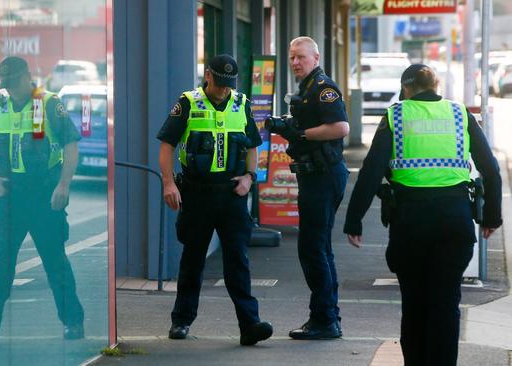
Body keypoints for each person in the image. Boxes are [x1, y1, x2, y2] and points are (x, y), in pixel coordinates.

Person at [344, 64, 502, 365]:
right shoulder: (460, 114)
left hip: (410, 223)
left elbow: (371, 172)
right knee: (446, 305)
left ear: (406, 89)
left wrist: (354, 220)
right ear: (436, 86)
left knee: (415, 305)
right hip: (454, 222)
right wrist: (492, 218)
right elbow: (491, 170)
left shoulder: (396, 115)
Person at [0, 56, 85, 346]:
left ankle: (73, 322)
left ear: (27, 76)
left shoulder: (50, 103)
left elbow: (71, 144)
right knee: (1, 265)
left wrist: (64, 185)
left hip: (44, 194)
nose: (11, 89)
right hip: (13, 195)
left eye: (14, 82)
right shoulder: (3, 105)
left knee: (54, 261)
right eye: (6, 84)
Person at [157, 54, 273, 346]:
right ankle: (181, 321)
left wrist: (249, 177)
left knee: (238, 260)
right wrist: (169, 183)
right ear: (208, 75)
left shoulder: (241, 104)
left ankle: (250, 325)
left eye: (228, 84)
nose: (224, 89)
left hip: (231, 194)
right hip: (196, 193)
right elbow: (167, 145)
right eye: (220, 83)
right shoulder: (188, 102)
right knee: (192, 259)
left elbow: (252, 146)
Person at [283, 37, 349, 340]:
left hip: (323, 175)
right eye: (292, 57)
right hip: (317, 175)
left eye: (301, 57)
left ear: (316, 57)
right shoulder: (307, 88)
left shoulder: (322, 88)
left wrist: (300, 133)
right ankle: (326, 316)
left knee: (312, 248)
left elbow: (340, 127)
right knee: (319, 247)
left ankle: (324, 319)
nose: (296, 62)